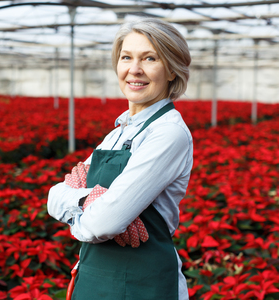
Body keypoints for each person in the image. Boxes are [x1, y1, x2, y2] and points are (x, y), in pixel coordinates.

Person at [47, 17, 192, 300]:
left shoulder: (168, 133)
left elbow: (105, 223)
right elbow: (54, 196)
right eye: (126, 57)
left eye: (150, 58)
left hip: (142, 285)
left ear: (172, 70)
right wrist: (88, 200)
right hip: (93, 277)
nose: (134, 70)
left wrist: (84, 204)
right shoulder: (119, 130)